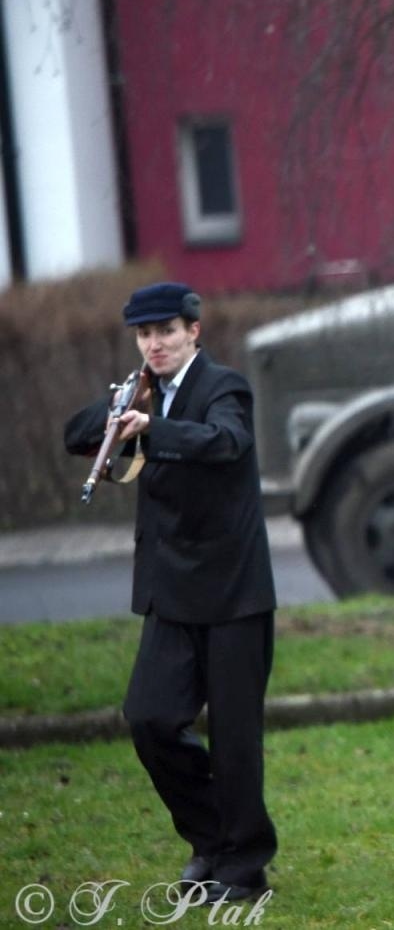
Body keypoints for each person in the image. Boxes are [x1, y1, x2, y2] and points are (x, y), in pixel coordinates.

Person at [62, 282, 277, 904]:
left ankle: (244, 867)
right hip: (170, 593)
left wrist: (151, 429)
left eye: (166, 332)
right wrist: (117, 415)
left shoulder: (224, 387)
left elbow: (224, 441)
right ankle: (210, 837)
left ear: (194, 332)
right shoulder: (138, 391)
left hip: (234, 594)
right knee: (150, 719)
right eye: (145, 334)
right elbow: (77, 434)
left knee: (236, 741)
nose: (155, 343)